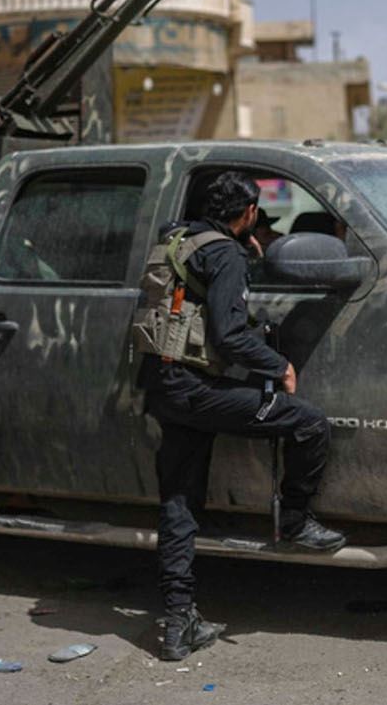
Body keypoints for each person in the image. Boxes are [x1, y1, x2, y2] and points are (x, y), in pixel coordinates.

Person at [131, 171, 346, 662]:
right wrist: (279, 366)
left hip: (163, 385)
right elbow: (229, 336)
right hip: (197, 389)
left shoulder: (180, 239)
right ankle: (296, 519)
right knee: (308, 423)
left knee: (179, 501)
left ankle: (178, 622)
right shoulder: (225, 254)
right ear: (249, 213)